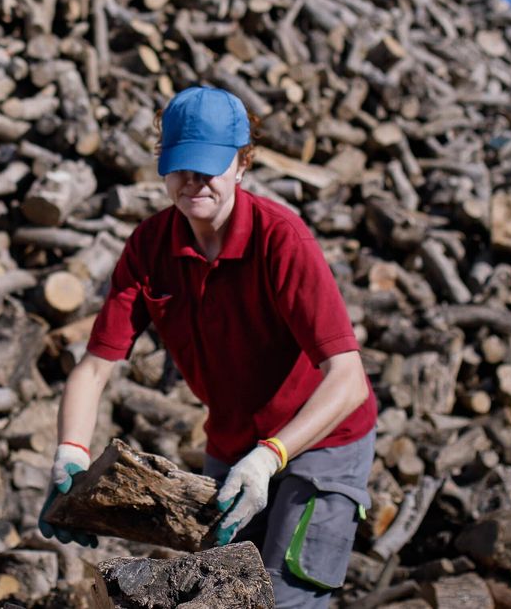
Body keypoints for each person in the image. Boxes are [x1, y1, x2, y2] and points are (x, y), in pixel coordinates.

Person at [39, 85, 376, 607]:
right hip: (232, 444)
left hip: (323, 440)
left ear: (242, 164)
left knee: (283, 599)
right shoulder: (151, 247)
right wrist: (70, 457)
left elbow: (348, 379)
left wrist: (271, 458)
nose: (193, 181)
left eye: (209, 166)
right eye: (181, 167)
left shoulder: (280, 240)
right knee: (218, 595)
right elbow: (93, 370)